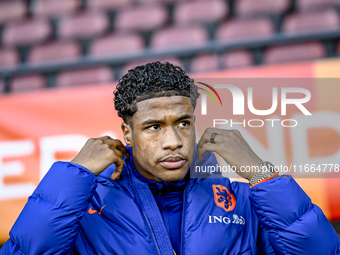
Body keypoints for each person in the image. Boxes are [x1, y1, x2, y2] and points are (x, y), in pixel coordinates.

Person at [1, 62, 339, 255]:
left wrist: (260, 174)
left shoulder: (245, 199)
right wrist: (72, 177)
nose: (173, 142)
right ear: (128, 133)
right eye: (153, 127)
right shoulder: (87, 205)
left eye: (183, 123)